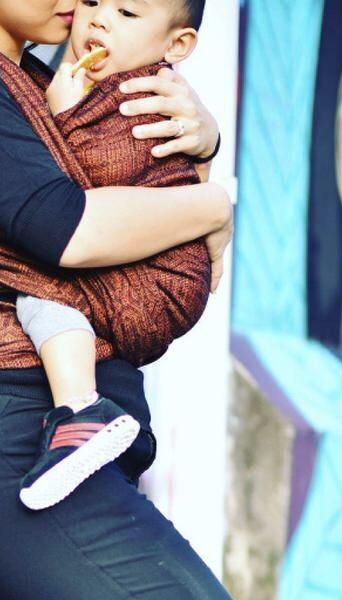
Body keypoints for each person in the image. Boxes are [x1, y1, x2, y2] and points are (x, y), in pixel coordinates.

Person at [0, 0, 234, 597]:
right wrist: (215, 205)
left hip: (67, 446)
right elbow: (68, 227)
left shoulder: (46, 85)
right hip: (10, 438)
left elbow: (148, 202)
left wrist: (202, 147)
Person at [15, 0, 217, 509]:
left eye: (126, 12)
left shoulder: (140, 98)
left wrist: (64, 117)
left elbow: (89, 187)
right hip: (159, 273)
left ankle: (79, 411)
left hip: (159, 279)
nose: (99, 18)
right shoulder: (108, 85)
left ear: (177, 45)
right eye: (91, 2)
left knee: (38, 294)